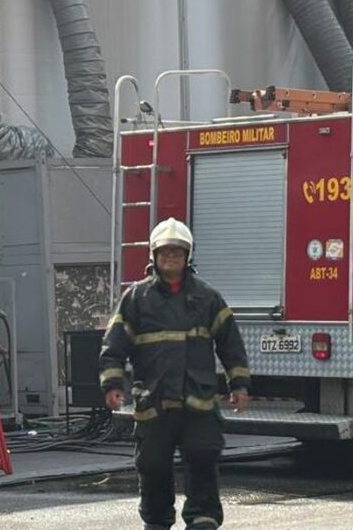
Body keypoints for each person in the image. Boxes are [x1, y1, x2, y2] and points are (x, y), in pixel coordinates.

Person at [100, 218, 251, 530]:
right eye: (165, 252)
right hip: (153, 402)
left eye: (177, 252)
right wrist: (113, 383)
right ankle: (156, 522)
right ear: (153, 256)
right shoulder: (136, 298)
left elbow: (230, 343)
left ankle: (202, 519)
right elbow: (114, 344)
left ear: (188, 256)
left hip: (198, 403)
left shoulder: (208, 298)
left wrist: (239, 384)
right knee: (152, 465)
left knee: (202, 458)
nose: (171, 257)